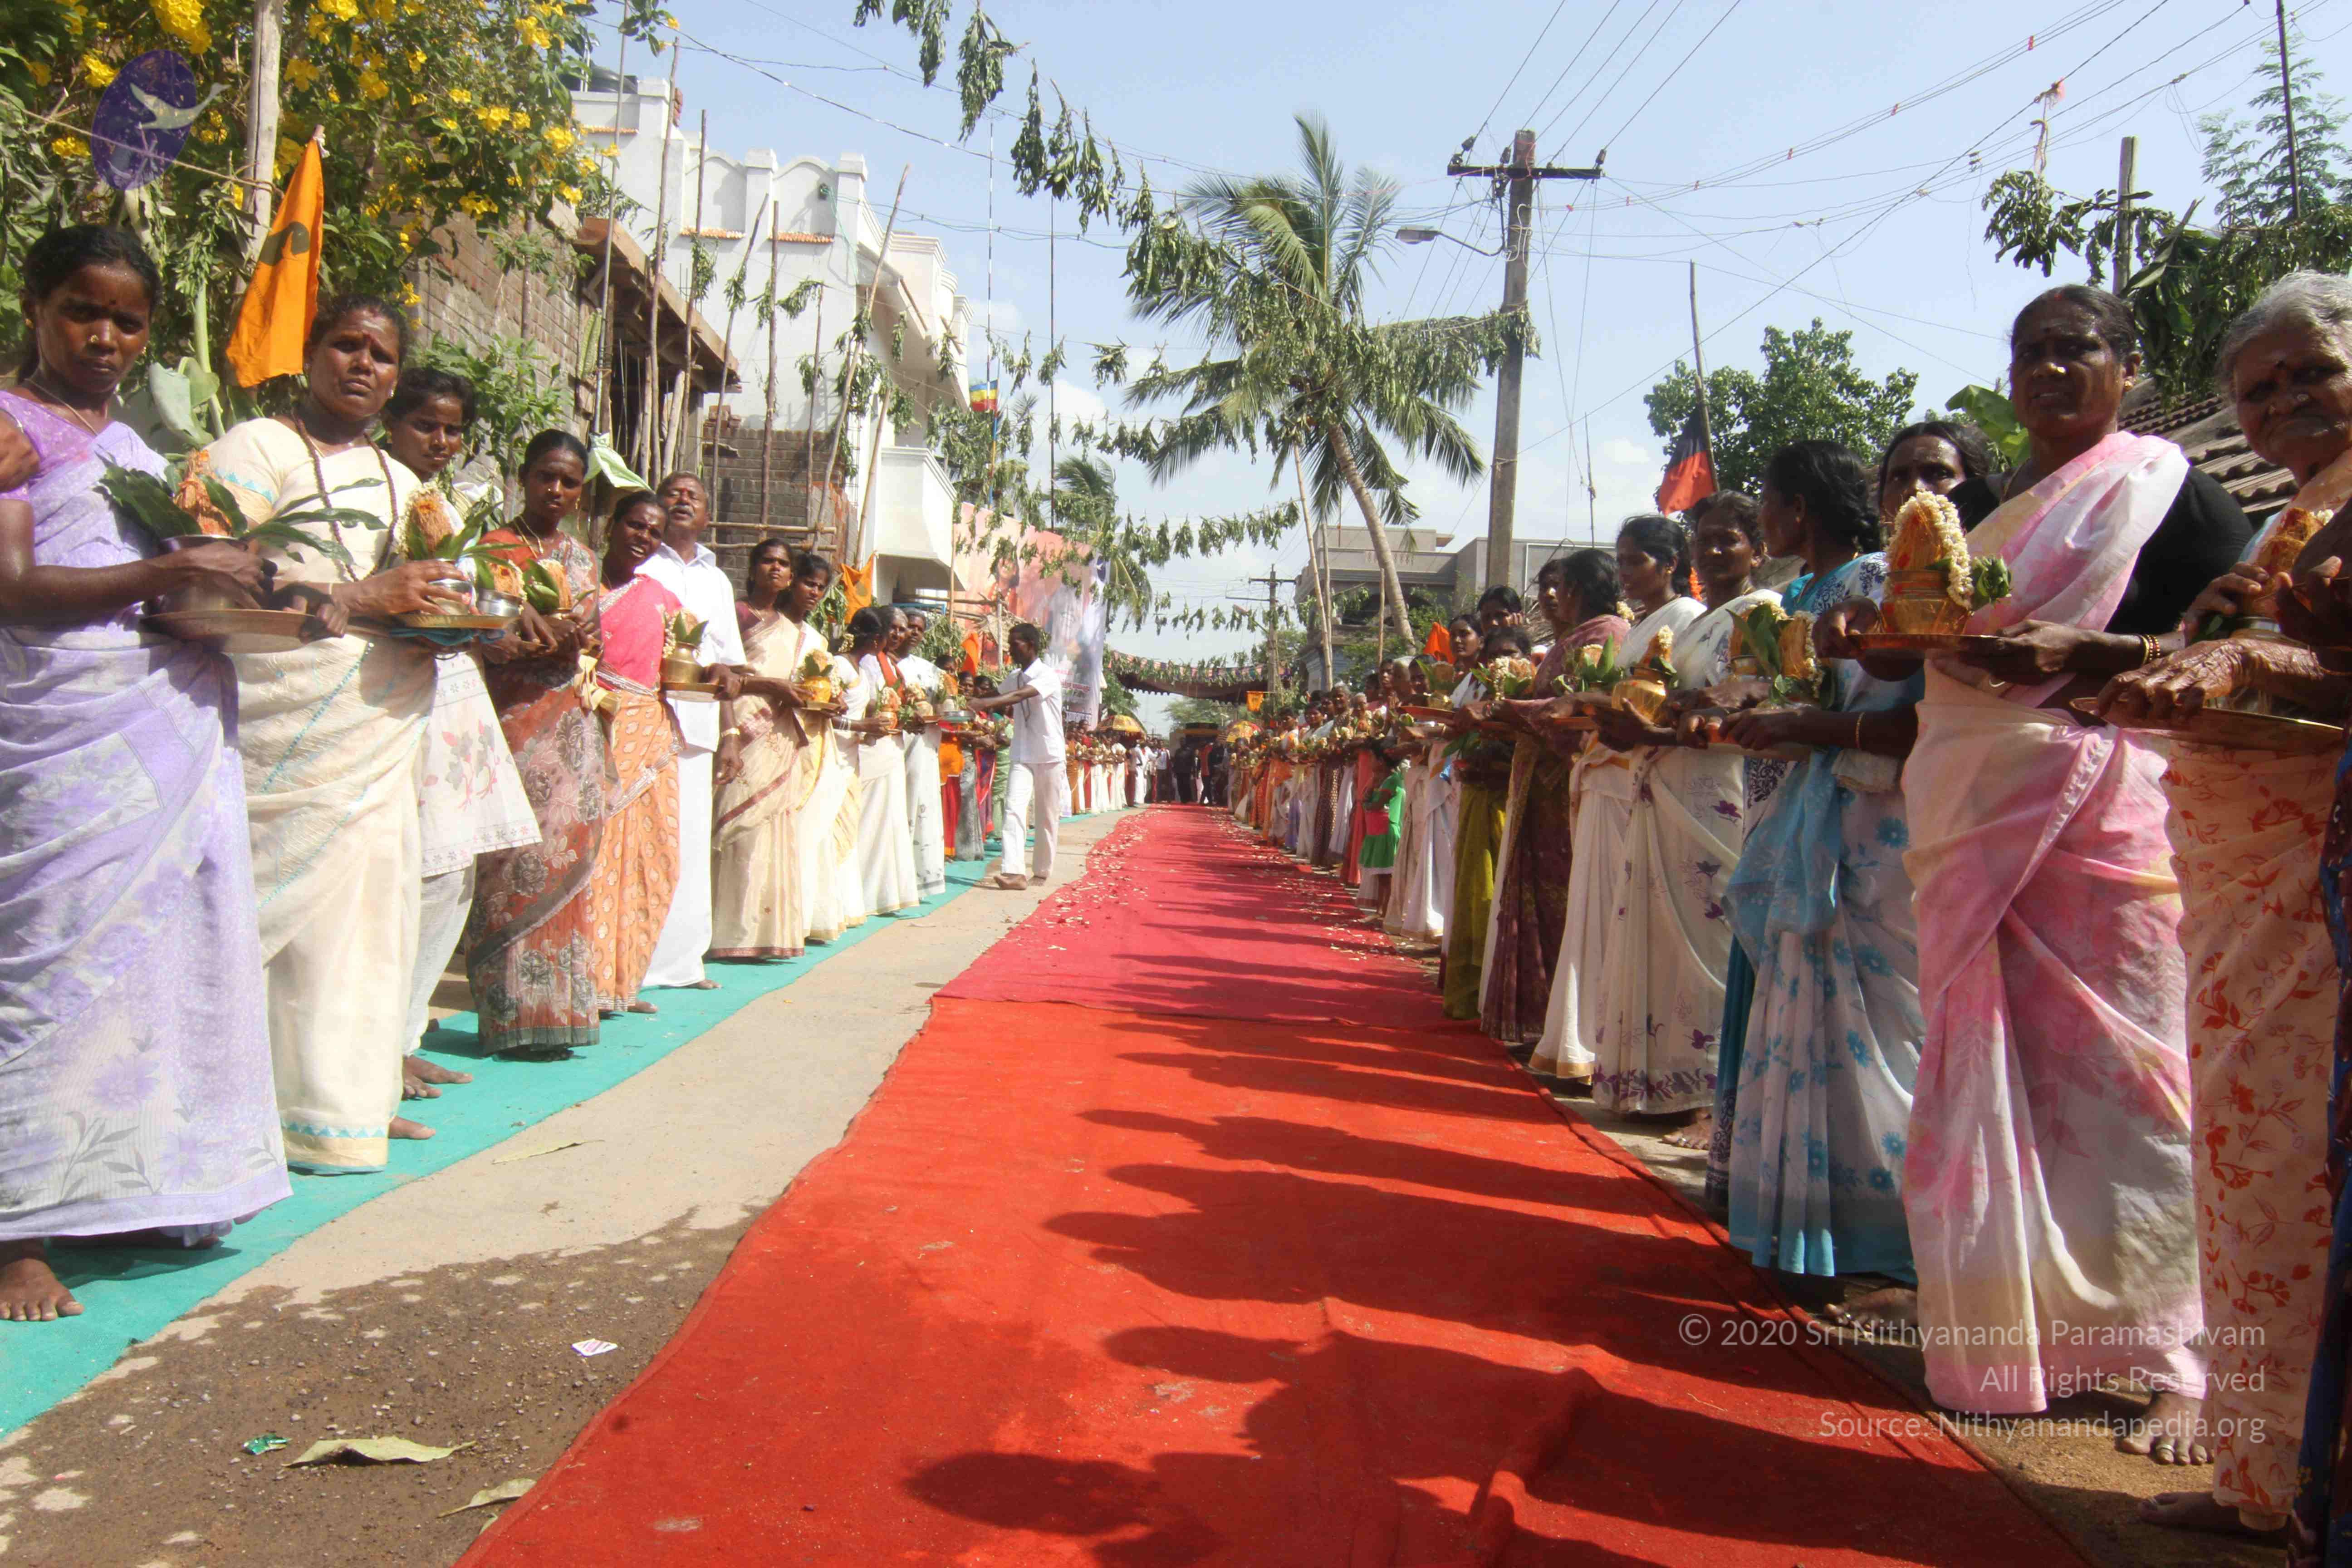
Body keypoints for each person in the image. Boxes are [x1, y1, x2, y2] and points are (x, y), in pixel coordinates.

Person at [1818, 283, 2250, 1450]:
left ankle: (2177, 1356)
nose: (2051, 369)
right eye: (2030, 353)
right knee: (1987, 1073)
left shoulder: (2171, 490)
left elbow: (2238, 645)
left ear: (2128, 367)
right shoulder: (1995, 516)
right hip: (1970, 805)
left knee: (2135, 1085)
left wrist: (2088, 650)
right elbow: (1935, 651)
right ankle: (2008, 1324)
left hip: (2103, 818)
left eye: (2077, 349)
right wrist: (1875, 640)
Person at [2095, 274, 2352, 1543]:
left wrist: (2249, 658)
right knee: (2250, 1179)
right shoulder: (2287, 523)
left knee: (2312, 1175)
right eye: (2259, 389)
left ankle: (2314, 1486)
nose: (2284, 400)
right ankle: (2260, 1472)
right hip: (2240, 895)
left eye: (2313, 370)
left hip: (2324, 896)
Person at [0, 226, 286, 1322]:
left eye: (127, 321)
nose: (104, 337)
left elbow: (145, 582)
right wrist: (170, 568)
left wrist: (232, 594)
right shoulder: (11, 426)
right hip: (56, 736)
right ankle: (14, 1230)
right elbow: (15, 588)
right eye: (82, 311)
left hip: (155, 726)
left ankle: (140, 1185)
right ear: (36, 307)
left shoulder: (132, 449)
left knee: (155, 964)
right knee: (40, 966)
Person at [203, 294, 467, 1172]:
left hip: (378, 724)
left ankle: (341, 1112)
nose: (362, 365)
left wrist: (461, 620)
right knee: (266, 920)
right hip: (278, 725)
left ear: (395, 376)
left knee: (365, 924)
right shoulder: (256, 449)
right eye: (346, 345)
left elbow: (436, 589)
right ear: (309, 351)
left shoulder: (404, 485)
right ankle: (230, 1113)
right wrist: (357, 598)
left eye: (380, 355)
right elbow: (204, 574)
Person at [1710, 442, 1923, 1280]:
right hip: (1794, 806)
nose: (1762, 518)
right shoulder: (1794, 596)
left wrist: (1805, 728)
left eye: (1766, 501)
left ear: (1798, 508)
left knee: (1871, 1021)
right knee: (1799, 1004)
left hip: (1866, 820)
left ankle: (1884, 1226)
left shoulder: (1875, 580)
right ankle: (1802, 1206)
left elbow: (1906, 712)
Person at [1583, 502, 1778, 1118]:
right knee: (1661, 939)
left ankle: (1709, 1095)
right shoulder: (1696, 624)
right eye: (1705, 541)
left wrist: (1652, 731)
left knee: (1712, 939)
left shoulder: (1763, 613)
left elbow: (1756, 707)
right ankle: (1659, 1081)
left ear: (1758, 550)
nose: (1713, 552)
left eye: (1729, 541)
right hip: (1661, 783)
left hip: (1716, 790)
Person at [380, 368, 537, 1110]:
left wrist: (494, 627)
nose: (440, 441)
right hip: (387, 695)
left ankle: (404, 1036)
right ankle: (372, 1050)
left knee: (453, 870)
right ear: (391, 423)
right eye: (425, 425)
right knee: (399, 874)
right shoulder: (370, 493)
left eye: (452, 430)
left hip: (453, 697)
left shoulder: (450, 507)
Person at [1530, 516, 1706, 1084]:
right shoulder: (1641, 626)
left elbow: (1672, 701)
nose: (1625, 573)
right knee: (1603, 910)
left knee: (1621, 915)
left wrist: (1588, 707)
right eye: (1622, 561)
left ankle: (1613, 1050)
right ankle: (1589, 1044)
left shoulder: (1684, 620)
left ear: (1670, 564)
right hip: (1611, 771)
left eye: (1636, 561)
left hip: (1644, 776)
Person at [466, 431, 609, 1057]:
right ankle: (507, 1015)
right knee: (511, 856)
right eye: (546, 476)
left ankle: (559, 1013)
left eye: (569, 482)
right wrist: (521, 635)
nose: (556, 490)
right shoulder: (489, 551)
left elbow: (596, 641)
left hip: (571, 724)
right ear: (523, 478)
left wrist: (581, 637)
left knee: (566, 857)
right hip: (511, 719)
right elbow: (477, 633)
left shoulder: (584, 559)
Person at [1482, 551, 1630, 1043]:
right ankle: (1542, 1022)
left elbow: (1582, 713)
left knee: (1565, 902)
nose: (1551, 595)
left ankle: (1574, 1031)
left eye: (1558, 585)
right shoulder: (1573, 638)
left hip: (1571, 784)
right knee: (1541, 901)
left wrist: (1506, 709)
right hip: (1541, 786)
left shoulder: (1607, 635)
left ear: (1580, 589)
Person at [637, 472, 748, 993]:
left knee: (688, 843)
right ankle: (633, 963)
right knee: (642, 839)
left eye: (693, 496)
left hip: (699, 726)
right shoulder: (640, 560)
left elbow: (728, 665)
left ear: (707, 514)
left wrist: (731, 735)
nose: (682, 501)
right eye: (673, 493)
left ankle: (682, 963)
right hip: (641, 717)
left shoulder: (717, 580)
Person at [578, 492, 685, 1017]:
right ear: (612, 524)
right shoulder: (576, 585)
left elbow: (684, 667)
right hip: (585, 721)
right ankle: (585, 981)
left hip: (648, 733)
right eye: (636, 525)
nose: (644, 537)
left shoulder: (663, 601)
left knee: (653, 855)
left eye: (654, 532)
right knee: (594, 856)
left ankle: (623, 980)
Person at [710, 546, 840, 961]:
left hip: (781, 733)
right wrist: (769, 689)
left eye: (784, 564)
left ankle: (760, 933)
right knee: (736, 826)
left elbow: (794, 682)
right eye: (769, 562)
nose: (777, 569)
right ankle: (724, 932)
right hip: (740, 727)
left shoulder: (794, 631)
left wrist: (817, 699)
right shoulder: (738, 615)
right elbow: (720, 677)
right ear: (752, 569)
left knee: (771, 829)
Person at [968, 622, 1067, 890]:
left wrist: (985, 703)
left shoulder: (1047, 675)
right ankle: (1014, 872)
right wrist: (967, 699)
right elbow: (998, 694)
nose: (1010, 650)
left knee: (1047, 816)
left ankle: (1042, 871)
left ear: (1031, 645)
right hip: (1022, 753)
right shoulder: (1015, 676)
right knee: (1013, 808)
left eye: (1015, 645)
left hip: (1049, 754)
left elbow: (1020, 696)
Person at [843, 607, 920, 916]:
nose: (899, 635)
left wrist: (910, 719)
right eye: (893, 628)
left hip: (891, 746)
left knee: (889, 821)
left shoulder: (892, 664)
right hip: (871, 747)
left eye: (903, 630)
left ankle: (880, 894)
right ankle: (859, 893)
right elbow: (868, 705)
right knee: (869, 818)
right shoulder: (868, 663)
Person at [892, 610, 950, 901]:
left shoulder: (931, 672)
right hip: (890, 742)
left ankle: (918, 878)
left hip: (923, 746)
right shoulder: (881, 664)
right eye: (910, 627)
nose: (914, 633)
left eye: (919, 629)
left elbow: (948, 708)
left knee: (920, 804)